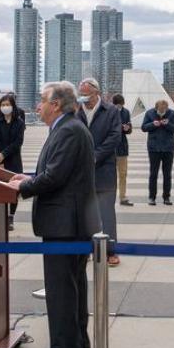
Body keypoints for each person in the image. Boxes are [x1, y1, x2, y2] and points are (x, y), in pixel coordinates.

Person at [4, 81, 100, 348]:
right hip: (70, 222)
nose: (38, 106)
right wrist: (28, 178)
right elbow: (55, 171)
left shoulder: (68, 130)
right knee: (72, 286)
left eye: (42, 100)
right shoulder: (67, 127)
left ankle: (65, 347)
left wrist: (22, 188)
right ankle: (77, 340)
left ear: (56, 104)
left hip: (66, 224)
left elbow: (55, 176)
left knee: (61, 288)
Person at [77, 78, 123, 267]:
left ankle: (110, 251)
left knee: (106, 213)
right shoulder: (76, 111)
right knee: (84, 212)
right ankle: (85, 249)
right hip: (81, 172)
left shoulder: (110, 111)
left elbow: (115, 136)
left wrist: (96, 156)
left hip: (104, 170)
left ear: (96, 92)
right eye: (81, 93)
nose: (83, 97)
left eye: (86, 93)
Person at [0, 94, 26, 231]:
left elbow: (18, 142)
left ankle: (11, 216)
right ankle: (1, 216)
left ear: (13, 106)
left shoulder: (19, 122)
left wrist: (4, 154)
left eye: (8, 104)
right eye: (3, 104)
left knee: (14, 189)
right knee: (0, 188)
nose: (5, 107)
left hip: (14, 160)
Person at [141, 99, 174, 205]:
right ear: (156, 108)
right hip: (154, 149)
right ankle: (151, 197)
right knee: (153, 174)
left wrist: (167, 124)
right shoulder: (149, 113)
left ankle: (166, 197)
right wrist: (153, 124)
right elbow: (143, 128)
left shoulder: (172, 113)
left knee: (167, 174)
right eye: (160, 111)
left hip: (168, 148)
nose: (162, 113)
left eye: (164, 111)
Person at [112, 94, 133, 206]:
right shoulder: (108, 111)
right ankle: (109, 197)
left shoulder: (126, 112)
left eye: (121, 105)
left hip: (122, 146)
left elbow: (129, 128)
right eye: (118, 105)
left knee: (123, 173)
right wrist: (120, 127)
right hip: (110, 148)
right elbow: (106, 128)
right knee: (110, 174)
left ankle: (123, 197)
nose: (119, 107)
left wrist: (128, 128)